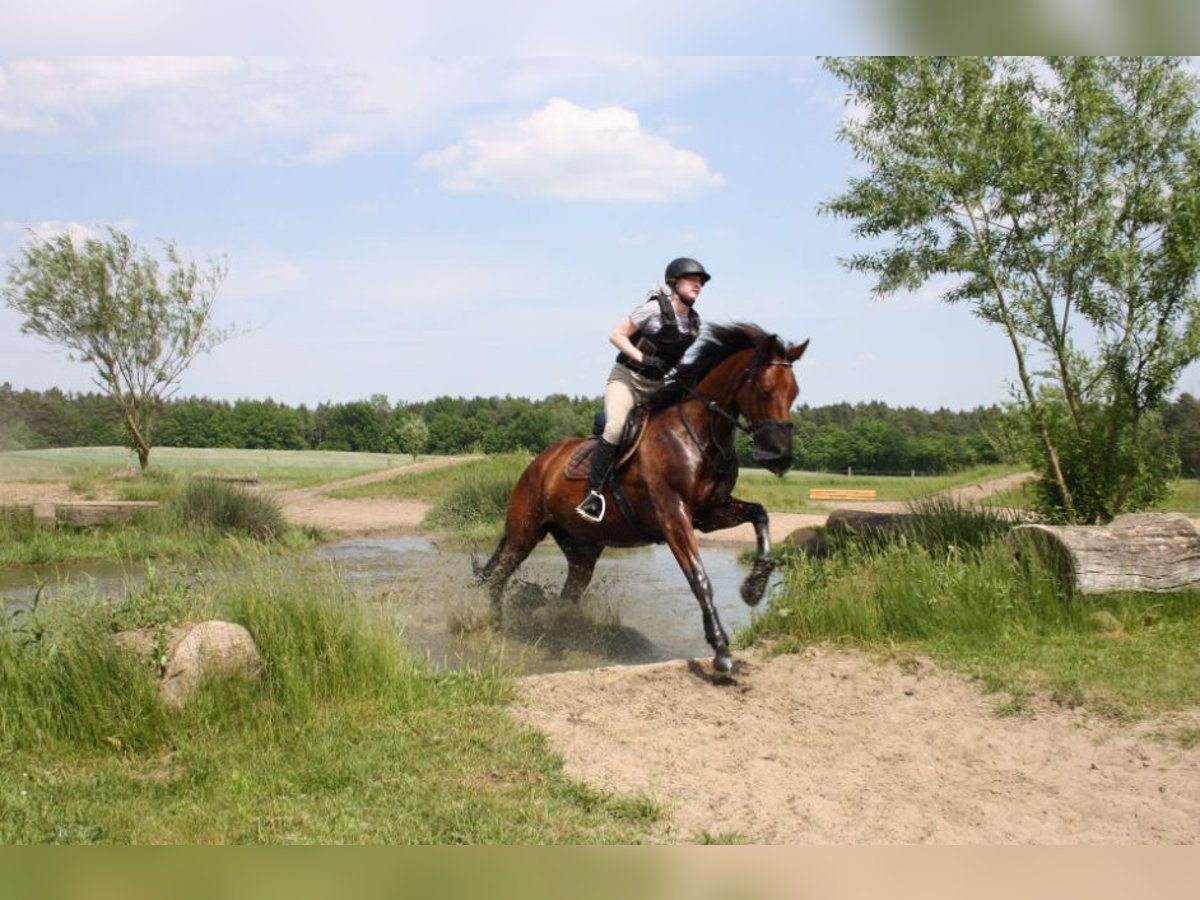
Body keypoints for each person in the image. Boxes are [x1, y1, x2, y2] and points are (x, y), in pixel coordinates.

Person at [575, 257, 710, 522]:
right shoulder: (653, 309)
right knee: (615, 428)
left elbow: (675, 355)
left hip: (655, 386)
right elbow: (616, 335)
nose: (698, 286)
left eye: (701, 282)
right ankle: (593, 495)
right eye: (692, 280)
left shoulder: (694, 325)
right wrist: (641, 358)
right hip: (626, 379)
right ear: (675, 283)